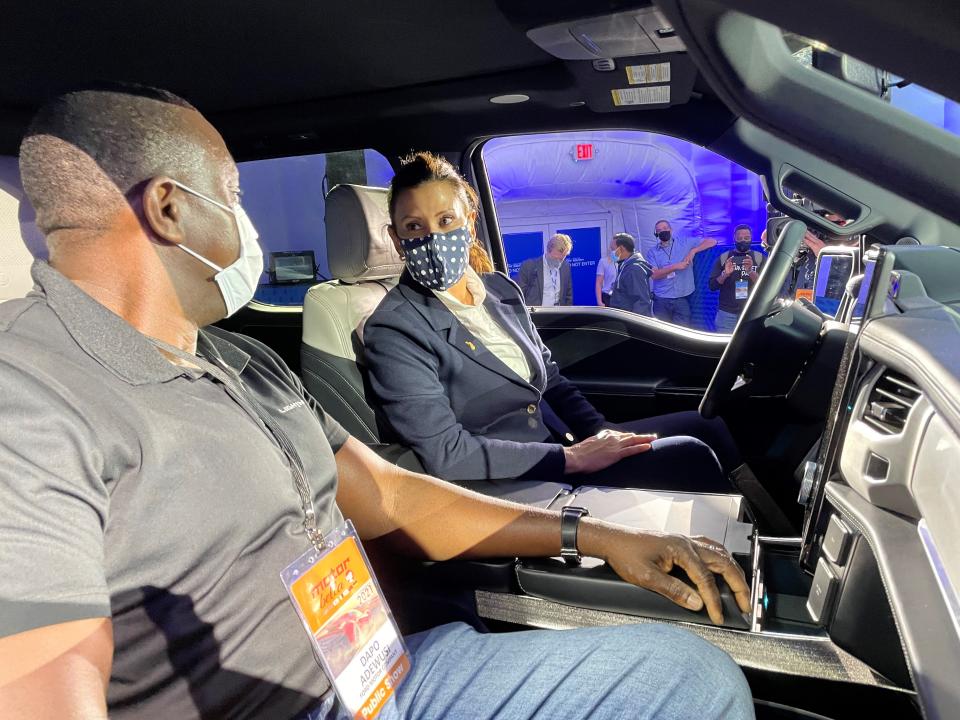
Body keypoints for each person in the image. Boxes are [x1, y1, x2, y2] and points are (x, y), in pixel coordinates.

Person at [0, 86, 754, 720]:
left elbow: (389, 493)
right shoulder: (27, 399)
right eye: (232, 193)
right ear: (169, 209)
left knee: (693, 680)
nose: (244, 218)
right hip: (288, 706)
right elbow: (43, 679)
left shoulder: (239, 359)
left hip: (384, 671)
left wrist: (588, 534)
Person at [365, 152, 744, 492]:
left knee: (708, 425)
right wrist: (574, 457)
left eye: (446, 220)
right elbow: (446, 452)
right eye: (414, 227)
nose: (433, 238)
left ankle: (778, 539)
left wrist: (599, 430)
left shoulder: (499, 290)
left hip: (562, 444)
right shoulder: (396, 329)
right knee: (690, 457)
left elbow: (552, 379)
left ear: (469, 226)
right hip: (513, 481)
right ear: (397, 240)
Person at [648, 219, 717, 326]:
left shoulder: (685, 242)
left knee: (681, 333)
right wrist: (676, 266)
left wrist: (693, 251)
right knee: (662, 334)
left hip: (681, 298)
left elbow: (712, 241)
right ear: (656, 234)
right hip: (661, 299)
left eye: (665, 228)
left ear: (671, 230)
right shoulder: (652, 252)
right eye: (659, 230)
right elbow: (654, 275)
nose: (663, 231)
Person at [708, 224, 765, 332]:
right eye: (739, 238)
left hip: (752, 312)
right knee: (722, 346)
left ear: (751, 238)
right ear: (734, 238)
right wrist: (725, 274)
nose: (743, 241)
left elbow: (766, 286)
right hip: (727, 314)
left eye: (746, 238)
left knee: (749, 347)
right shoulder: (724, 258)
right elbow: (712, 286)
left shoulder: (760, 258)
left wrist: (750, 272)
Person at [516, 232, 573, 306]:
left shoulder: (566, 266)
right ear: (548, 251)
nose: (558, 263)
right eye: (555, 259)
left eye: (561, 259)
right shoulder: (529, 267)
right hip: (537, 315)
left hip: (559, 314)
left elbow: (568, 295)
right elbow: (520, 295)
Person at [608, 232, 653, 316]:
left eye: (612, 249)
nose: (611, 252)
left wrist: (634, 326)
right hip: (623, 317)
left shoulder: (634, 269)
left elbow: (641, 301)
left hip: (630, 321)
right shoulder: (624, 265)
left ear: (621, 248)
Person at [595, 237, 618, 306]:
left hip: (622, 298)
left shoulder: (626, 262)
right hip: (607, 297)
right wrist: (599, 302)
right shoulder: (603, 262)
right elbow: (599, 283)